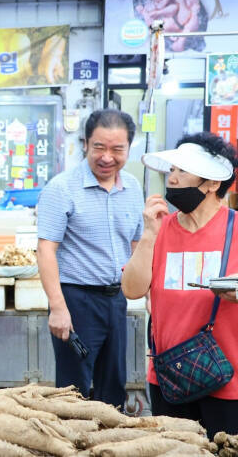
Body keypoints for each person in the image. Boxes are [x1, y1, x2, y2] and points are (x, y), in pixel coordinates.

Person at [122, 132, 238, 438]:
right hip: (169, 377)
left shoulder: (235, 228)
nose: (171, 179)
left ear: (213, 183)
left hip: (227, 378)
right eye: (171, 170)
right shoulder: (160, 230)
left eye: (182, 171)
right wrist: (148, 233)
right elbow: (132, 289)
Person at [37, 109, 144, 408]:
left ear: (128, 148)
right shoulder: (62, 188)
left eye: (117, 149)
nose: (107, 157)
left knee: (113, 383)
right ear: (85, 143)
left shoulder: (133, 188)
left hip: (116, 299)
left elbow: (136, 244)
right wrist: (58, 308)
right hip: (77, 302)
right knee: (75, 387)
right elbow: (46, 250)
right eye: (99, 147)